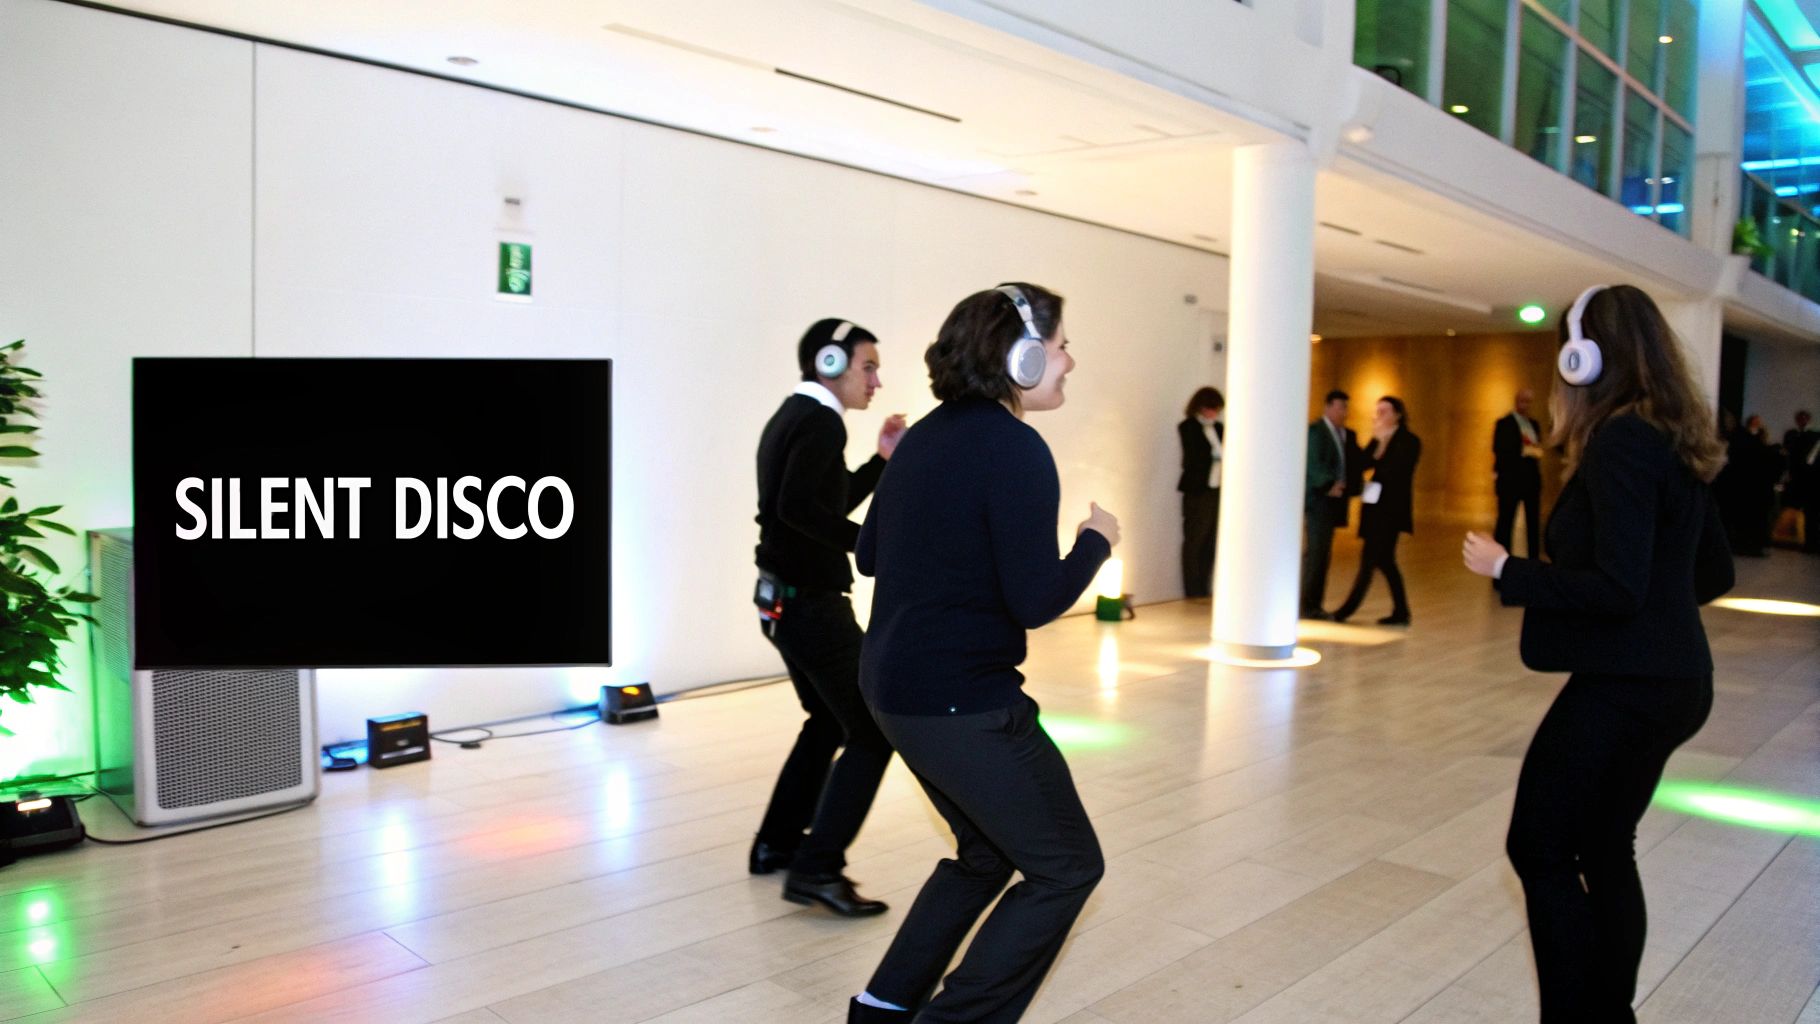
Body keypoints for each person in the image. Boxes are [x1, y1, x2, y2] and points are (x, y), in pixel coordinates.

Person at [1463, 284, 1732, 1024]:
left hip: (1629, 688)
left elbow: (1617, 586)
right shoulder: (1675, 436)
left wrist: (1506, 571)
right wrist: (1659, 620)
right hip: (1675, 682)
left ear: (1585, 357)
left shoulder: (1621, 440)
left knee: (1539, 849)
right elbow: (1713, 573)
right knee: (1608, 845)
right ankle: (1611, 1014)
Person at [849, 283, 1116, 1023]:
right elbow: (1035, 600)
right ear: (1023, 355)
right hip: (961, 702)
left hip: (892, 690)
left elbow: (869, 553)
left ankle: (880, 1008)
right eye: (1060, 345)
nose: (1069, 360)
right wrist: (1095, 544)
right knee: (1067, 868)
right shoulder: (1015, 448)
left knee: (985, 855)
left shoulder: (928, 435)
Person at [750, 317, 907, 917]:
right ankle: (817, 869)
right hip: (810, 605)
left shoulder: (798, 415)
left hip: (782, 600)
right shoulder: (817, 422)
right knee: (871, 730)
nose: (876, 380)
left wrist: (881, 461)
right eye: (868, 366)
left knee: (826, 721)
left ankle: (776, 846)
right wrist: (871, 546)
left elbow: (822, 501)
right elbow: (797, 509)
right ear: (831, 363)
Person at [1332, 396, 1421, 626]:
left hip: (1391, 512)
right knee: (1385, 561)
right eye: (1377, 411)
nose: (1379, 416)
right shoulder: (1378, 439)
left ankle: (1345, 611)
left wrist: (1381, 449)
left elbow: (1396, 472)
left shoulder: (1409, 441)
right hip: (1374, 510)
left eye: (1384, 411)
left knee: (1371, 560)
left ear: (1398, 414)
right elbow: (1362, 464)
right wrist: (1376, 442)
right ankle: (1402, 611)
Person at [1301, 389, 1360, 619]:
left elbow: (1355, 462)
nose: (1344, 412)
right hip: (1319, 502)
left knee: (1321, 555)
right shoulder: (1317, 432)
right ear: (1328, 407)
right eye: (1340, 407)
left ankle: (1312, 602)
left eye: (1345, 407)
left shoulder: (1345, 434)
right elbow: (1313, 463)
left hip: (1333, 504)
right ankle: (1310, 605)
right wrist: (1328, 485)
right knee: (1316, 554)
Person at [1176, 386, 1225, 598]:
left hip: (1216, 490)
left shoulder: (1220, 428)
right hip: (1198, 492)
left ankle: (1205, 588)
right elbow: (1194, 458)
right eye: (1211, 408)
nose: (1214, 413)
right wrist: (1216, 457)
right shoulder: (1188, 427)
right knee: (1195, 541)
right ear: (1201, 407)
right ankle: (1192, 590)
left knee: (1212, 542)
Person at [1493, 388, 1545, 561]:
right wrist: (1523, 450)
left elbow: (1538, 447)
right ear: (1516, 401)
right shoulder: (1504, 423)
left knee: (1533, 526)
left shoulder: (1534, 424)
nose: (1526, 405)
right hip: (1510, 481)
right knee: (1505, 525)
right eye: (1523, 400)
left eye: (1529, 401)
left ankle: (1533, 565)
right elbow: (1499, 449)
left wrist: (1533, 451)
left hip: (1531, 481)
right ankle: (1501, 566)